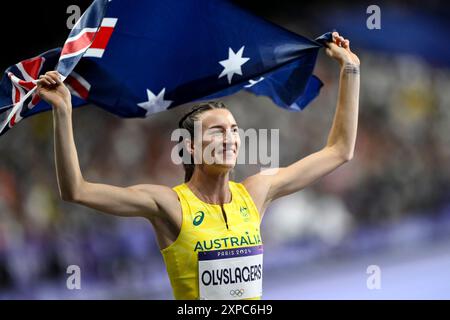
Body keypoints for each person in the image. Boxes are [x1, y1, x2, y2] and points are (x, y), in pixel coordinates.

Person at [36, 31, 360, 300]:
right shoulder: (169, 205)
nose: (230, 139)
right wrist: (63, 113)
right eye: (217, 131)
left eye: (234, 130)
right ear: (190, 146)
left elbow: (339, 151)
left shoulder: (256, 193)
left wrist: (351, 70)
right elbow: (76, 190)